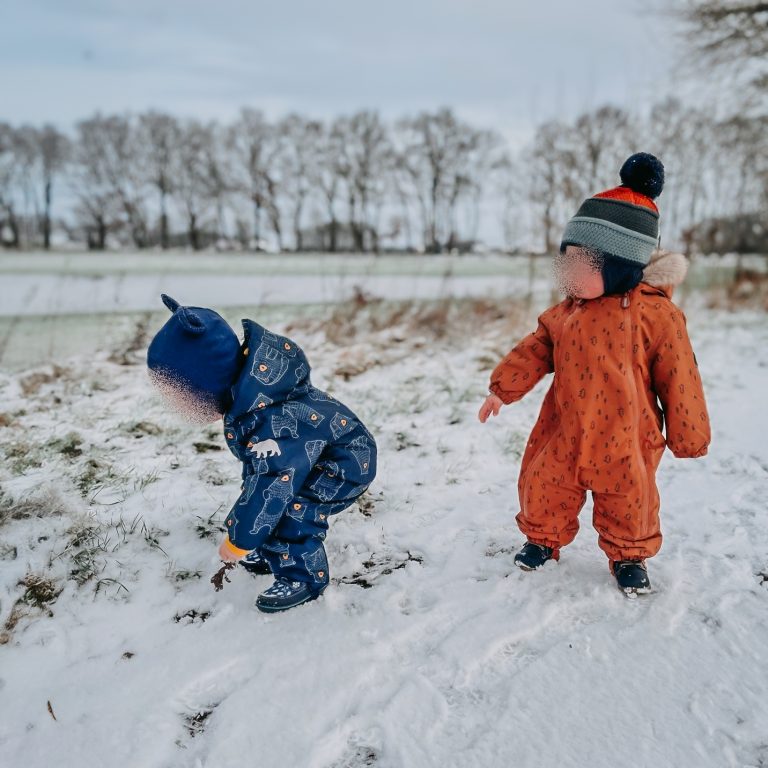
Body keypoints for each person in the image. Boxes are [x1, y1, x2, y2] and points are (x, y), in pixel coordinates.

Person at [478, 153, 711, 596]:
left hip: (626, 433)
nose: (568, 274)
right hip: (563, 425)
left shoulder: (657, 316)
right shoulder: (565, 313)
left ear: (619, 266)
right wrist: (501, 390)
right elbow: (535, 348)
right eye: (566, 263)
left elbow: (680, 375)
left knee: (630, 498)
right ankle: (542, 540)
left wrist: (689, 434)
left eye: (581, 266)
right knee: (544, 484)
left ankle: (628, 555)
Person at [147, 295, 377, 612]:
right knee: (274, 499)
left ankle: (305, 578)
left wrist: (239, 539)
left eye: (181, 394)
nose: (178, 404)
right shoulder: (253, 401)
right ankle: (272, 550)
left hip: (344, 464)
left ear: (207, 382)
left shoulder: (270, 420)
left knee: (292, 508)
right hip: (314, 456)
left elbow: (271, 486)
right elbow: (259, 473)